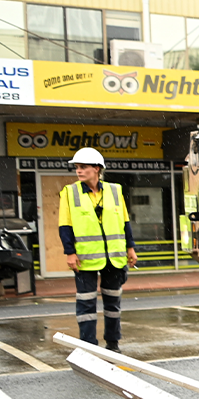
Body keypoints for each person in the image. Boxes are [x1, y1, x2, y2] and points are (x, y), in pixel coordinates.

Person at [59, 147, 137, 352]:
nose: (78, 171)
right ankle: (89, 346)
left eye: (83, 167)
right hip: (85, 257)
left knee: (113, 304)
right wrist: (70, 252)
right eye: (76, 167)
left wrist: (131, 248)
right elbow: (65, 226)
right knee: (86, 304)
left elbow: (125, 221)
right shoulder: (70, 192)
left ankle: (113, 344)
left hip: (115, 256)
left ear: (96, 169)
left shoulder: (115, 190)